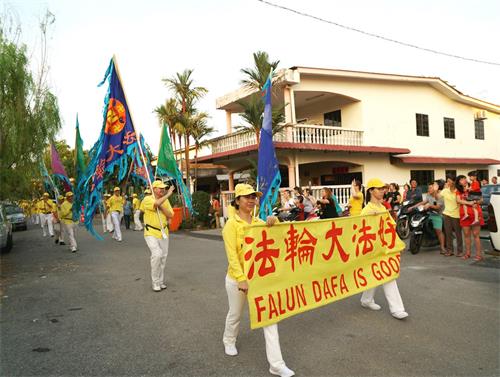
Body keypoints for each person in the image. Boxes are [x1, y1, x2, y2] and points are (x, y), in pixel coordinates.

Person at [222, 183, 294, 377]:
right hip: (237, 280)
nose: (251, 200)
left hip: (259, 280)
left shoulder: (258, 221)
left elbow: (277, 236)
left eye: (254, 197)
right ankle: (229, 340)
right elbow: (232, 256)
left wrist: (274, 221)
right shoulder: (231, 225)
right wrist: (241, 279)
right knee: (235, 314)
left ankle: (276, 364)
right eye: (247, 197)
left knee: (270, 319)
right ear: (237, 201)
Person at [360, 178, 408, 320]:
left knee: (380, 274)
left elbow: (390, 228)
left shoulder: (382, 207)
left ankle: (366, 300)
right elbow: (361, 231)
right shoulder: (366, 210)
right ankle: (397, 309)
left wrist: (397, 245)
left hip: (385, 249)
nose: (382, 191)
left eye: (383, 188)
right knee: (386, 275)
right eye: (379, 188)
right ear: (371, 191)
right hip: (372, 250)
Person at [142, 181, 175, 292]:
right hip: (150, 232)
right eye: (160, 188)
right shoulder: (147, 199)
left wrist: (162, 207)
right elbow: (155, 204)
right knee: (157, 255)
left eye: (164, 188)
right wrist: (168, 194)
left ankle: (160, 281)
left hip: (163, 232)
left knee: (163, 258)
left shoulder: (165, 201)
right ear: (153, 189)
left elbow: (171, 215)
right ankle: (155, 282)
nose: (162, 190)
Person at [410, 181, 446, 254]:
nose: (428, 189)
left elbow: (438, 207)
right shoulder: (428, 195)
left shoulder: (440, 196)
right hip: (429, 214)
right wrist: (413, 207)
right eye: (428, 187)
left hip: (438, 215)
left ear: (435, 188)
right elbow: (423, 202)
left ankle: (442, 248)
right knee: (420, 222)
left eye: (430, 187)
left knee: (438, 231)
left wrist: (430, 205)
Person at [455, 175, 484, 261]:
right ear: (458, 182)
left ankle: (479, 255)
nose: (463, 180)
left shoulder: (474, 187)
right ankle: (468, 253)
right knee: (466, 235)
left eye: (464, 178)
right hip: (464, 215)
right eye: (461, 180)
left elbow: (481, 200)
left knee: (476, 235)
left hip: (475, 214)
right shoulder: (459, 191)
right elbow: (458, 200)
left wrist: (475, 201)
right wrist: (469, 203)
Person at [441, 176, 463, 257]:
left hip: (456, 215)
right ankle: (450, 250)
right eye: (447, 181)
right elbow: (438, 197)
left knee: (458, 234)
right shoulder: (445, 190)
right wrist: (435, 190)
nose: (447, 183)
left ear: (454, 182)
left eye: (449, 181)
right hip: (446, 214)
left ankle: (460, 251)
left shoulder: (458, 191)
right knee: (448, 233)